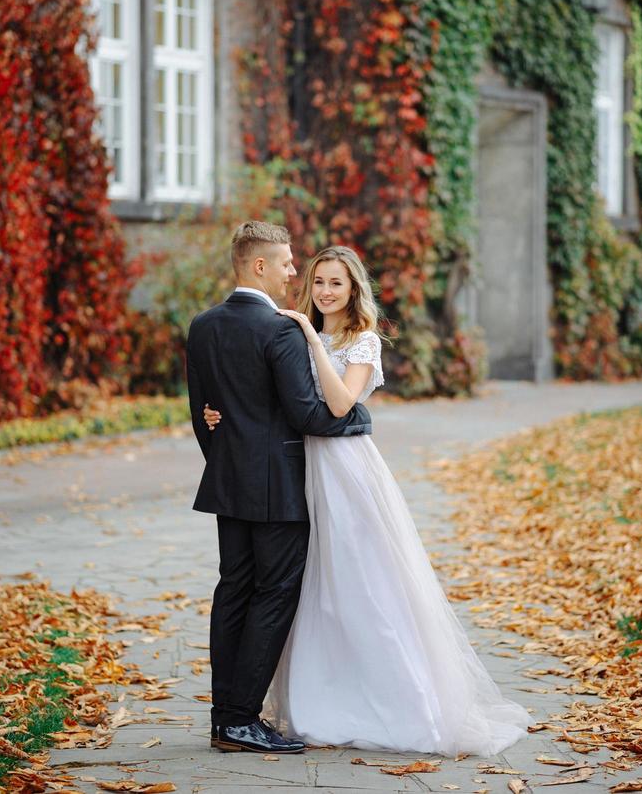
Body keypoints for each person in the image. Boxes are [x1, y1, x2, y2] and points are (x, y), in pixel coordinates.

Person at [203, 244, 531, 755]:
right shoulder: (282, 329)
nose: (324, 291)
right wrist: (219, 415)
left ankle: (383, 699)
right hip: (297, 467)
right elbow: (266, 396)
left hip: (342, 470)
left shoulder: (360, 340)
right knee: (309, 590)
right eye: (318, 282)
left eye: (336, 283)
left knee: (360, 580)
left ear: (354, 289)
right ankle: (304, 700)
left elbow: (338, 404)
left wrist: (313, 340)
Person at [186, 222, 372, 755]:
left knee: (232, 593)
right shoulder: (281, 330)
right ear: (260, 266)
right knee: (273, 596)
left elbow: (202, 417)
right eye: (289, 263)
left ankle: (225, 718)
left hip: (229, 483)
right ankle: (242, 719)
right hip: (281, 490)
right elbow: (309, 413)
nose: (297, 272)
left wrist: (229, 458)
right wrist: (358, 420)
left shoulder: (203, 325)